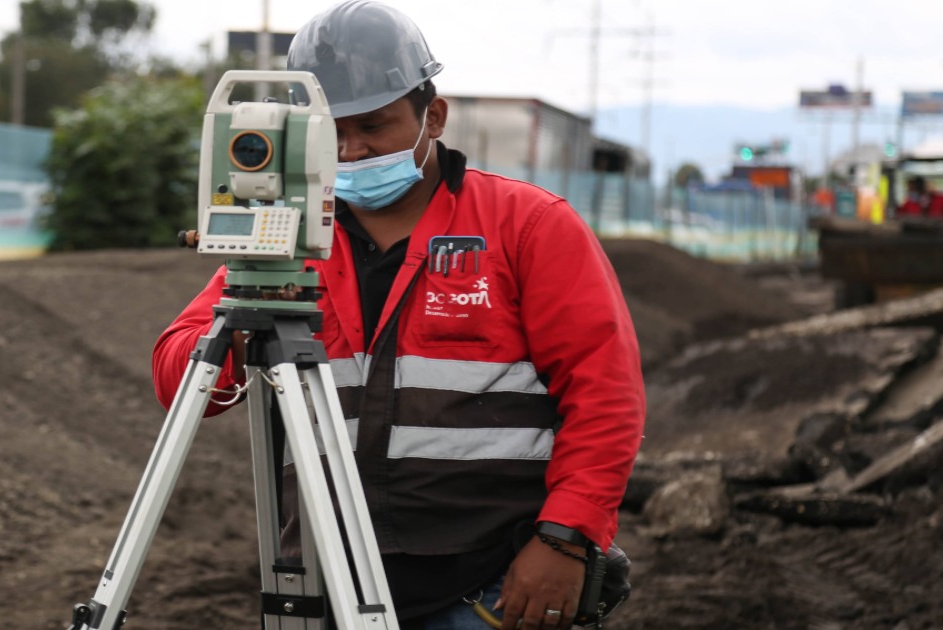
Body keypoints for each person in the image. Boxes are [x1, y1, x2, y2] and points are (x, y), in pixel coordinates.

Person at [151, 2, 645, 628]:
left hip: (490, 583)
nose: (352, 151)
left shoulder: (527, 226)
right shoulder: (286, 241)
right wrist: (246, 327)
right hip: (327, 580)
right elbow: (176, 374)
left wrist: (565, 539)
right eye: (333, 132)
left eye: (375, 127)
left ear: (432, 116)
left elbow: (605, 392)